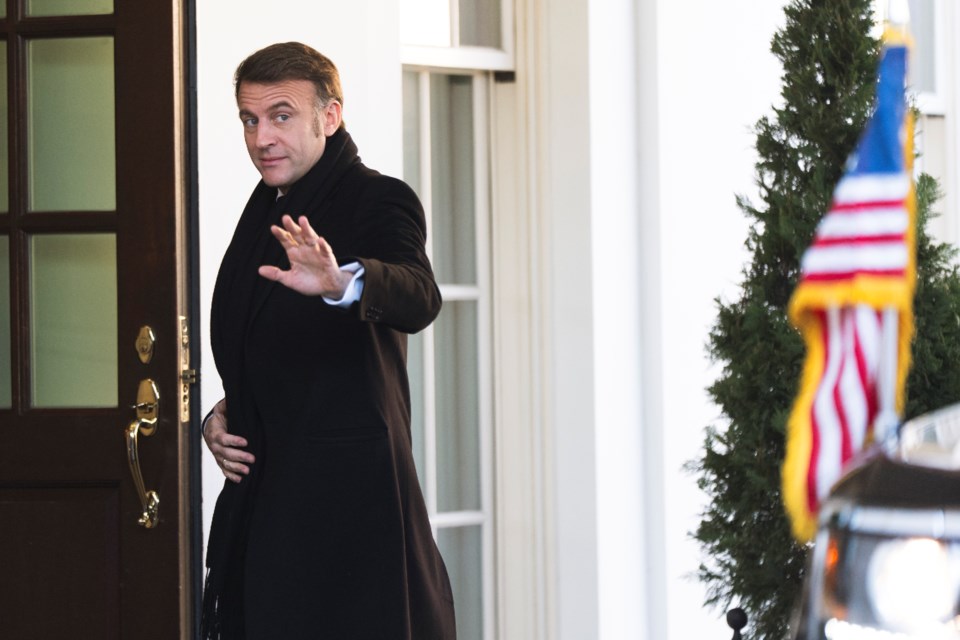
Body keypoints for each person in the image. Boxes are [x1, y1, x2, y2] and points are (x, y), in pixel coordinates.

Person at [200, 42, 456, 639]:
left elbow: (420, 296)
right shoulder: (268, 203)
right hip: (269, 500)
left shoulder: (378, 196)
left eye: (281, 116)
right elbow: (260, 339)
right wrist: (224, 411)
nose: (262, 137)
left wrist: (342, 280)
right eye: (249, 119)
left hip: (349, 513)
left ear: (330, 117)